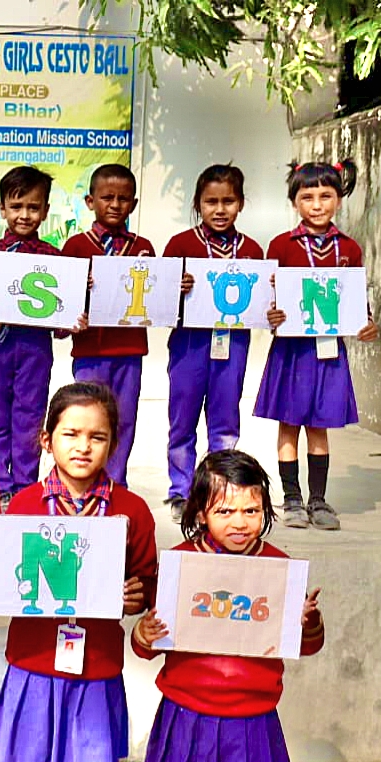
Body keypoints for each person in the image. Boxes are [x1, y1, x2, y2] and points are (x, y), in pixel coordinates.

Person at [0, 382, 157, 762]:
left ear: (113, 443)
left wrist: (136, 597)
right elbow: (9, 580)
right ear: (47, 440)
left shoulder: (131, 511)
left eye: (97, 437)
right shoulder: (23, 507)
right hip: (34, 665)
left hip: (96, 670)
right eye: (71, 434)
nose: (83, 446)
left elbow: (148, 582)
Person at [132, 449, 324, 762]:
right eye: (225, 511)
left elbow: (307, 645)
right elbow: (146, 646)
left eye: (251, 511)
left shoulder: (277, 569)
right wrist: (144, 634)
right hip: (187, 718)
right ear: (201, 513)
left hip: (251, 723)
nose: (239, 522)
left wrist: (307, 623)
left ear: (265, 509)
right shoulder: (181, 566)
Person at [254, 160, 379, 530]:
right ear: (294, 202)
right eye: (307, 197)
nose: (317, 204)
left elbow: (355, 298)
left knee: (319, 426)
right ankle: (292, 498)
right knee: (289, 424)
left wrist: (366, 322)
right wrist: (271, 313)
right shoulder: (281, 245)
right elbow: (267, 299)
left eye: (326, 196)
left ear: (338, 199)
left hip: (328, 350)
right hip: (292, 351)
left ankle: (319, 500)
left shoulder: (349, 248)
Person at [0, 165, 85, 509]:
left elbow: (60, 321)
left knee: (29, 418)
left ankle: (24, 484)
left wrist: (72, 322)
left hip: (35, 349)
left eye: (33, 207)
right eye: (16, 206)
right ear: (2, 208)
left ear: (46, 210)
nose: (24, 215)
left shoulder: (54, 258)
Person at [162, 164, 265, 522]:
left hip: (232, 345)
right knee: (183, 418)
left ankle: (219, 490)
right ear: (197, 204)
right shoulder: (180, 245)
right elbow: (160, 301)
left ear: (241, 204)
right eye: (211, 202)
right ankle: (181, 490)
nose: (220, 210)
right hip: (189, 344)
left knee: (225, 418)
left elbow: (261, 302)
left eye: (228, 201)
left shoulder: (252, 250)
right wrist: (175, 288)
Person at [61, 164, 156, 487]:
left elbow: (154, 298)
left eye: (123, 199)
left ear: (134, 204)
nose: (115, 205)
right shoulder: (75, 247)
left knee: (124, 419)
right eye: (107, 197)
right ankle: (84, 481)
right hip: (90, 350)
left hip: (130, 349)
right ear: (90, 201)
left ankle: (115, 483)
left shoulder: (143, 248)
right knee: (87, 416)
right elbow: (61, 304)